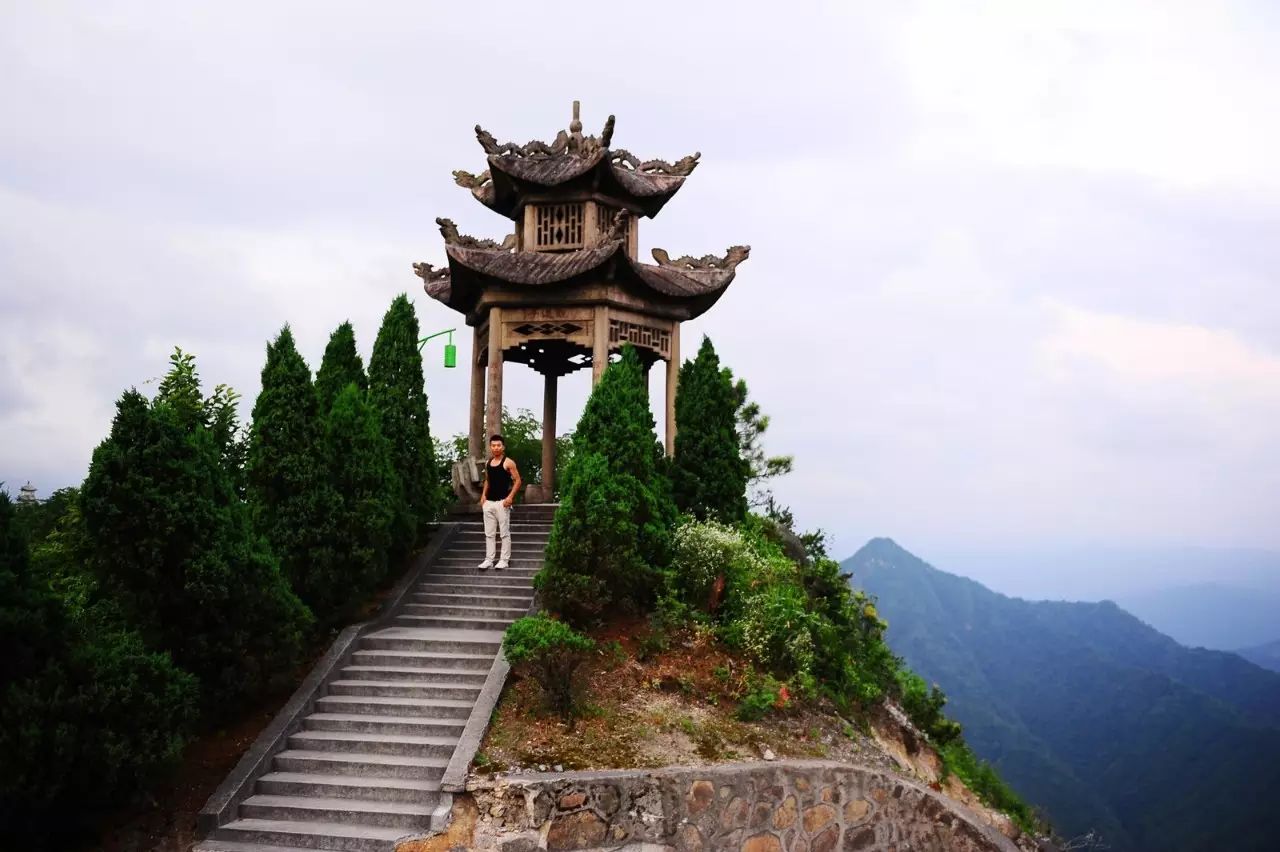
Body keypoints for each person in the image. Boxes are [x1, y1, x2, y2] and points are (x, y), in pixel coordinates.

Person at [477, 434, 521, 571]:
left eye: (498, 445)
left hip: (502, 502)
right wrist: (483, 495)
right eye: (493, 445)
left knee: (504, 533)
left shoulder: (508, 462)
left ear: (503, 447)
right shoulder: (488, 463)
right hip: (489, 502)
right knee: (489, 533)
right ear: (490, 447)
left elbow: (518, 481)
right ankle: (489, 559)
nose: (496, 448)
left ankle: (504, 560)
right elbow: (488, 481)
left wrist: (510, 497)